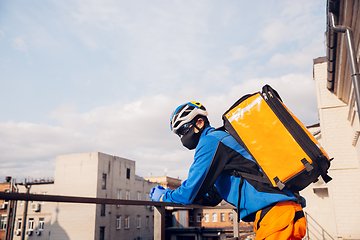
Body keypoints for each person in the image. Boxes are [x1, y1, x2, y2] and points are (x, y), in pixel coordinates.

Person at [149, 101, 306, 239]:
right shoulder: (220, 141)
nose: (182, 137)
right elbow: (213, 196)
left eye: (183, 130)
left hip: (277, 215)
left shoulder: (211, 142)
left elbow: (189, 192)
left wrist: (164, 196)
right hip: (274, 215)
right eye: (179, 135)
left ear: (199, 122)